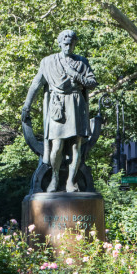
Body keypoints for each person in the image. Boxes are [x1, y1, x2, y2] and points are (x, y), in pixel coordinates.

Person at [21, 30, 97, 193]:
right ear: (60, 43)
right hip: (57, 107)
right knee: (57, 145)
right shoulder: (48, 62)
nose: (68, 47)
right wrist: (27, 104)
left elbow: (92, 82)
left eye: (71, 44)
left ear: (75, 44)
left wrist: (76, 75)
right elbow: (36, 84)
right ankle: (54, 178)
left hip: (76, 105)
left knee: (76, 146)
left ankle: (71, 181)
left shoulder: (81, 62)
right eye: (65, 43)